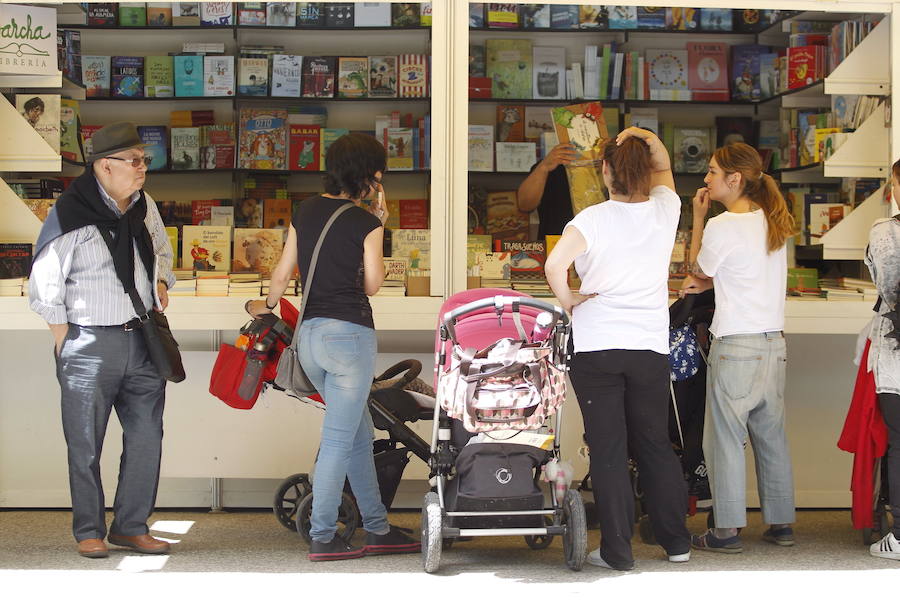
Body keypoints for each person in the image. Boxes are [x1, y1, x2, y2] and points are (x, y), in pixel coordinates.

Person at [247, 133, 420, 561]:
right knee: (340, 440)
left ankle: (377, 528)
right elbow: (372, 285)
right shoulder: (367, 223)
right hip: (348, 338)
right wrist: (378, 220)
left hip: (309, 339)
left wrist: (266, 304)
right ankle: (323, 534)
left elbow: (283, 272)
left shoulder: (304, 210)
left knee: (358, 436)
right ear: (367, 176)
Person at [545, 127, 692, 570]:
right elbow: (664, 165)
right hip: (648, 345)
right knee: (654, 443)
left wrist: (570, 300)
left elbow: (555, 265)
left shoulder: (590, 219)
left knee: (608, 448)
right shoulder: (666, 210)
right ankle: (676, 543)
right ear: (647, 170)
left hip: (597, 347)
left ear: (605, 170)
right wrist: (645, 136)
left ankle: (617, 552)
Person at [28, 122, 175, 559]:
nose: (141, 168)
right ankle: (88, 530)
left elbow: (162, 251)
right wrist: (65, 341)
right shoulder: (71, 213)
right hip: (89, 341)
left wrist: (161, 281)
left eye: (143, 160)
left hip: (142, 336)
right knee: (85, 443)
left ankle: (131, 526)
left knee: (147, 436)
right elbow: (43, 285)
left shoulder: (143, 206)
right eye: (133, 161)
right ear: (104, 167)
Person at [682, 142, 796, 553]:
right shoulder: (774, 221)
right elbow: (740, 272)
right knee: (771, 436)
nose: (706, 179)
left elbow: (697, 271)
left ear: (735, 179)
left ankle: (726, 530)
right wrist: (715, 279)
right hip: (773, 343)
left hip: (736, 344)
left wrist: (698, 217)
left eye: (712, 172)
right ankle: (781, 523)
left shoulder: (723, 225)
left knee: (725, 439)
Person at [864, 159, 900, 561]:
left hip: (896, 354)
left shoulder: (886, 230)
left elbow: (888, 289)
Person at [516, 143, 579, 237]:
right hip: (555, 244)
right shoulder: (553, 166)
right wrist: (544, 167)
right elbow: (525, 204)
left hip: (600, 245)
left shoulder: (606, 167)